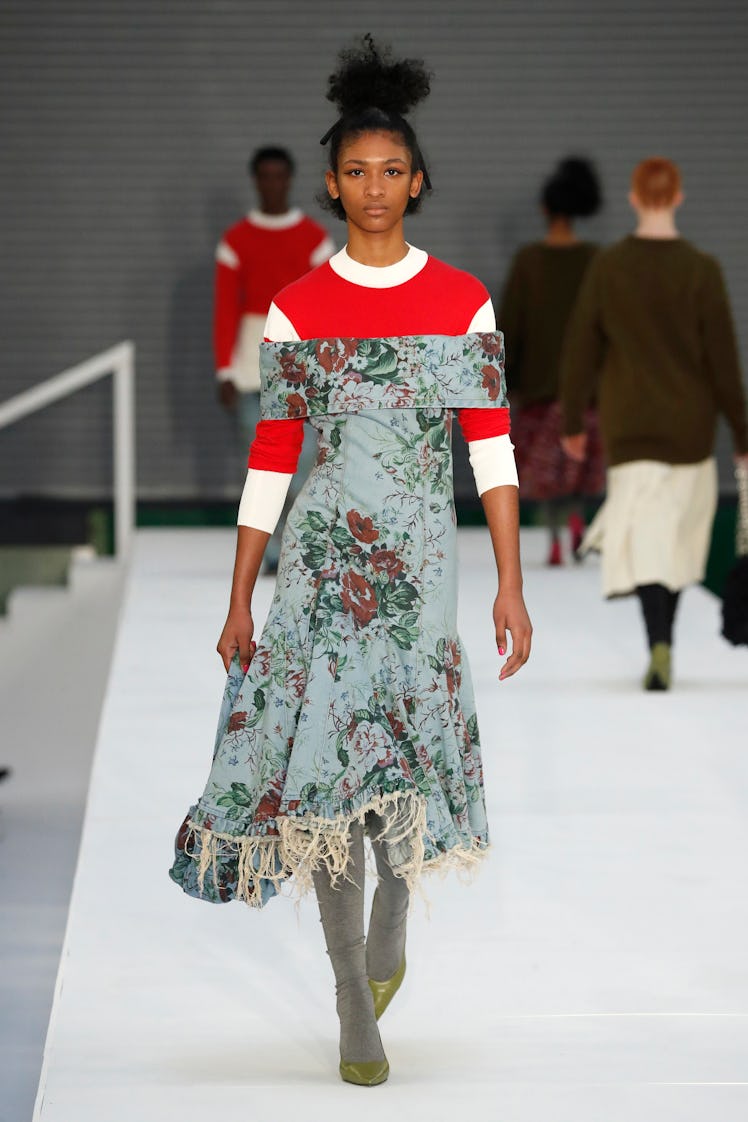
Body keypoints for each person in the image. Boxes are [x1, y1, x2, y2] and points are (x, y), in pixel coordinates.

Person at [170, 36, 532, 1086]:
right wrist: (241, 593)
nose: (375, 188)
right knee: (324, 779)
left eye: (392, 170)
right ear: (332, 186)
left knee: (399, 770)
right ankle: (348, 1000)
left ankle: (389, 930)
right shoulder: (298, 309)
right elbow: (274, 458)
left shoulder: (463, 300)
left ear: (417, 181)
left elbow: (492, 449)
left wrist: (508, 581)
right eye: (357, 172)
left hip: (422, 574)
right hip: (322, 572)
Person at [560, 157, 748, 689]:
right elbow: (724, 361)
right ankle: (665, 641)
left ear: (635, 197)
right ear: (679, 196)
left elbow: (580, 347)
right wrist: (742, 431)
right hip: (691, 427)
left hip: (629, 425)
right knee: (676, 541)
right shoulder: (702, 269)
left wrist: (573, 419)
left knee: (646, 540)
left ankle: (657, 643)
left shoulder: (610, 266)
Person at [214, 145, 335, 570]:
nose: (272, 183)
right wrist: (224, 369)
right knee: (262, 469)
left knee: (301, 469)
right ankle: (271, 553)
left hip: (300, 366)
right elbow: (225, 307)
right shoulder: (235, 241)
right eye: (264, 175)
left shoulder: (315, 240)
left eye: (278, 175)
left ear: (288, 179)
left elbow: (325, 307)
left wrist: (325, 369)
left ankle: (296, 548)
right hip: (249, 369)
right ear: (256, 180)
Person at [499, 157, 605, 565]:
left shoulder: (530, 260)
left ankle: (556, 539)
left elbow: (513, 324)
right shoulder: (595, 259)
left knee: (546, 476)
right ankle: (578, 522)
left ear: (545, 208)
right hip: (587, 390)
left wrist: (508, 381)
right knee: (578, 469)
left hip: (541, 387)